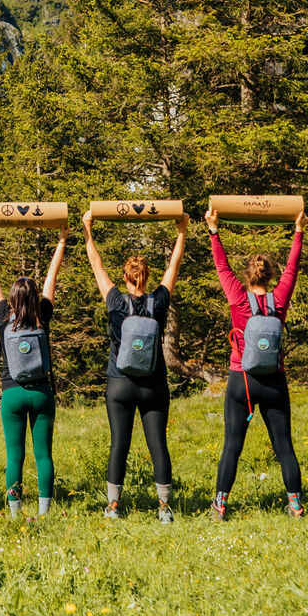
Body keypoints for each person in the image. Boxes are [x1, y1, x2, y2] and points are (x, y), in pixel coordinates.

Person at [82, 207, 188, 521]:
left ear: (126, 278)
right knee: (158, 445)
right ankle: (165, 509)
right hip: (154, 385)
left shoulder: (115, 300)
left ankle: (114, 506)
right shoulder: (159, 301)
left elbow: (96, 264)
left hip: (119, 383)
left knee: (119, 445)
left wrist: (88, 228)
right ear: (146, 277)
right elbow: (175, 264)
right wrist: (181, 230)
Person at [208, 204, 307, 520]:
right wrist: (299, 231)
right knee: (285, 447)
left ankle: (221, 504)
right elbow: (293, 268)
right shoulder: (279, 300)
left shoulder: (237, 297)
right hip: (275, 381)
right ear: (270, 276)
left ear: (247, 276)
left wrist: (214, 230)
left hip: (242, 381)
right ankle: (295, 505)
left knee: (231, 447)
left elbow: (222, 267)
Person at [0, 220, 67, 518]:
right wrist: (62, 241)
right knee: (44, 455)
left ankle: (15, 513)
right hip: (41, 393)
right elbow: (53, 274)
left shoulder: (4, 316)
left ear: (13, 299)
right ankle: (44, 512)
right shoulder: (43, 315)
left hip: (12, 394)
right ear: (35, 297)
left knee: (14, 454)